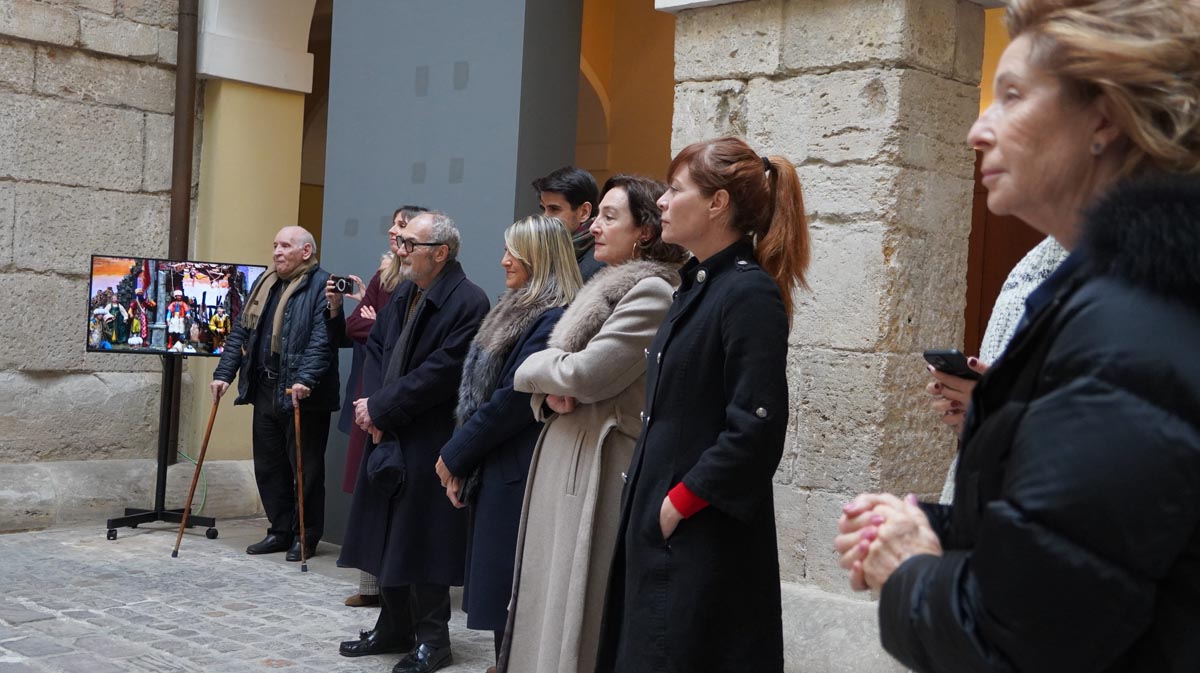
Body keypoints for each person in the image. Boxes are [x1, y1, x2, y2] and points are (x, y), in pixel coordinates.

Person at [835, 2, 1200, 671]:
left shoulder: (1130, 325)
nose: (978, 129)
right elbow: (1080, 557)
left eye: (1011, 96)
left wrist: (910, 567)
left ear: (1104, 118)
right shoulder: (1112, 299)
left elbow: (1018, 642)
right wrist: (935, 529)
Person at [596, 138, 811, 673]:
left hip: (701, 536)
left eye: (675, 189)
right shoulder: (696, 288)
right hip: (664, 523)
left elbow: (755, 427)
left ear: (717, 204)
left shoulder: (748, 294)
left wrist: (680, 504)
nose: (663, 202)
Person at [502, 175, 687, 673]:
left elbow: (585, 374)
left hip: (598, 465)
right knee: (548, 599)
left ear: (644, 232)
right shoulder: (603, 286)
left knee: (576, 609)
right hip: (569, 454)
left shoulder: (652, 291)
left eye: (610, 216)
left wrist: (529, 372)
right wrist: (549, 393)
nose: (596, 226)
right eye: (598, 214)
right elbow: (565, 379)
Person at [337, 211, 490, 673]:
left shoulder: (469, 301)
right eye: (401, 242)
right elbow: (378, 348)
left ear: (440, 252)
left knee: (423, 540)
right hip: (390, 431)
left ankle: (432, 639)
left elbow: (442, 373)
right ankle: (393, 626)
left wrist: (383, 408)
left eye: (410, 245)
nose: (400, 252)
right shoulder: (405, 292)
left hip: (429, 435)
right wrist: (376, 407)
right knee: (389, 536)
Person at [433, 214, 582, 671]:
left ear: (538, 258)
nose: (502, 261)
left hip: (519, 469)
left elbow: (512, 400)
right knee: (504, 596)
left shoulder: (553, 319)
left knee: (515, 591)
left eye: (512, 253)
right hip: (496, 465)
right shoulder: (515, 308)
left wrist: (456, 454)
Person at [211, 226, 340, 562]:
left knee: (304, 470)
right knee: (269, 466)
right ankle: (280, 530)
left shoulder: (320, 285)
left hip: (303, 394)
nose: (277, 252)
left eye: (285, 246)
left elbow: (322, 340)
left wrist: (306, 379)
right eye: (275, 245)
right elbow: (241, 330)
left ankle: (305, 535)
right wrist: (224, 374)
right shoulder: (265, 283)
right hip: (266, 386)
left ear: (306, 252)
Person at [328, 204, 427, 609]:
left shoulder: (423, 282)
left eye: (401, 226)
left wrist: (377, 319)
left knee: (397, 493)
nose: (392, 231)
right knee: (368, 491)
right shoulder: (383, 276)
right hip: (369, 391)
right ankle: (371, 587)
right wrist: (373, 318)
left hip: (398, 398)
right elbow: (355, 327)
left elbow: (399, 333)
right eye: (393, 224)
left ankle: (396, 589)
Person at [532, 166, 604, 281]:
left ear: (584, 212)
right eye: (543, 209)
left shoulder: (600, 263)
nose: (544, 217)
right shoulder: (544, 253)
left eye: (554, 209)